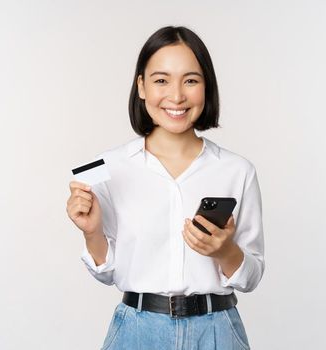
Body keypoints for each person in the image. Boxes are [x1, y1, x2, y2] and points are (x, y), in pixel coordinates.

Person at [66, 26, 264, 349]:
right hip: (137, 332)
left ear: (206, 87)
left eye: (191, 80)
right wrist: (92, 232)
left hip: (216, 331)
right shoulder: (110, 168)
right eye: (161, 80)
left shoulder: (237, 171)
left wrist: (224, 250)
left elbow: (253, 274)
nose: (176, 96)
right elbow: (107, 272)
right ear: (141, 86)